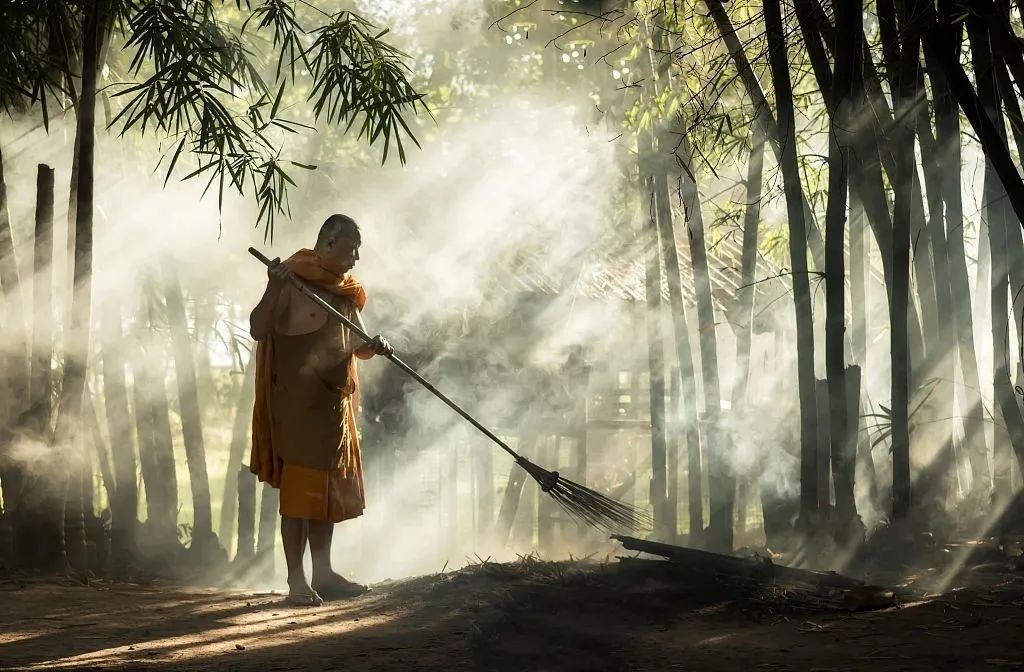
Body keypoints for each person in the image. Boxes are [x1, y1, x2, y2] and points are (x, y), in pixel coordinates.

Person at [249, 214, 392, 606]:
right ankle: (296, 580)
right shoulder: (292, 279)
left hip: (333, 407)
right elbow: (259, 328)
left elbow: (358, 346)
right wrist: (272, 287)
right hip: (297, 405)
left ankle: (323, 573)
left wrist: (376, 345)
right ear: (329, 243)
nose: (357, 257)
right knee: (299, 495)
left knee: (325, 494)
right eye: (352, 247)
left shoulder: (344, 292)